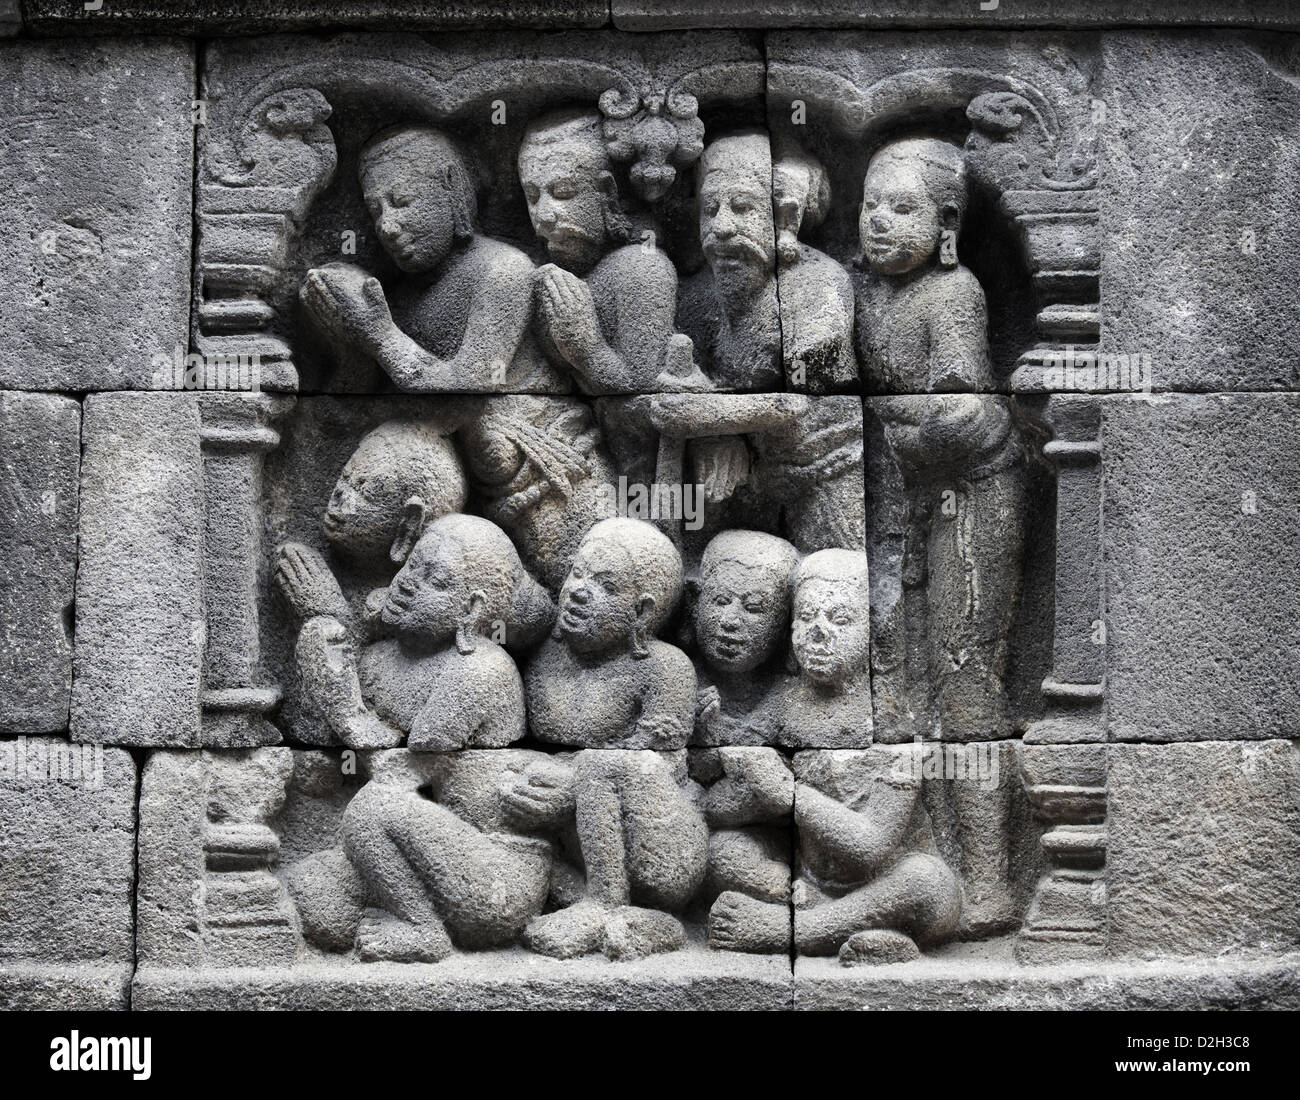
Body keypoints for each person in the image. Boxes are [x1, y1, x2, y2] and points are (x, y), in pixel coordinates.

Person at [300, 125, 565, 391]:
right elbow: (349, 410)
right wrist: (347, 336)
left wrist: (380, 336)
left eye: (402, 200)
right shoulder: (397, 297)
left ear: (449, 183)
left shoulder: (503, 270)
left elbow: (470, 386)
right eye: (375, 210)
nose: (387, 226)